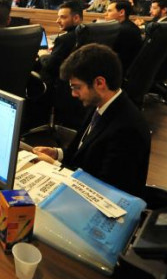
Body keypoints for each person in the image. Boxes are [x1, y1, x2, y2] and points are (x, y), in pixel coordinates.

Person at [32, 44, 151, 197]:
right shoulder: (100, 105)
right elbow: (85, 153)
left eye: (77, 87)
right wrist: (57, 154)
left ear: (99, 83)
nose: (74, 94)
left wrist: (55, 167)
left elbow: (104, 189)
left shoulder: (128, 128)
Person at [38, 0, 82, 83]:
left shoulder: (64, 40)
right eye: (58, 17)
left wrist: (43, 54)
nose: (57, 21)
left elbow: (49, 66)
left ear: (76, 18)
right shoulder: (86, 33)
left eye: (63, 17)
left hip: (55, 85)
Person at [104, 0, 143, 74]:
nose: (105, 14)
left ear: (121, 12)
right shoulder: (130, 26)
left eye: (109, 11)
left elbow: (111, 55)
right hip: (130, 69)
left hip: (120, 71)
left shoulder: (122, 30)